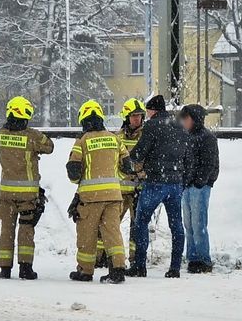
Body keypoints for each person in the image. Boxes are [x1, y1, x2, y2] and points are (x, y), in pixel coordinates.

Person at [67, 100, 130, 284]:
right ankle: (117, 270)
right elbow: (127, 167)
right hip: (114, 196)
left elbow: (73, 173)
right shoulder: (115, 139)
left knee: (87, 234)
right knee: (113, 233)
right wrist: (111, 177)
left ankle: (85, 271)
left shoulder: (82, 141)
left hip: (90, 199)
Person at [125, 95, 187, 278]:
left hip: (156, 182)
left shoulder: (152, 125)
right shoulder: (179, 125)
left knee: (141, 221)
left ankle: (139, 266)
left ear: (153, 110)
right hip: (176, 183)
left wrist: (129, 160)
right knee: (176, 225)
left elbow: (140, 151)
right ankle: (175, 268)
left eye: (148, 111)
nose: (147, 115)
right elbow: (186, 153)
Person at [0, 96, 54, 280]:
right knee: (26, 230)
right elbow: (50, 146)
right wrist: (36, 134)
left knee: (6, 231)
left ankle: (5, 269)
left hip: (5, 193)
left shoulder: (2, 134)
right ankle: (25, 268)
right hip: (27, 194)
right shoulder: (32, 136)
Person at [96, 98, 147, 267]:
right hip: (118, 191)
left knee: (136, 227)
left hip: (138, 190)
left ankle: (135, 260)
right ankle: (101, 257)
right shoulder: (116, 137)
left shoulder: (146, 137)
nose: (136, 119)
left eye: (139, 116)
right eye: (133, 116)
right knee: (109, 226)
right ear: (126, 117)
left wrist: (141, 174)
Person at [179, 104, 219, 274]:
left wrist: (199, 182)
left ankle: (203, 259)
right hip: (187, 186)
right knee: (189, 224)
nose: (183, 122)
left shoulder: (207, 138)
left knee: (198, 223)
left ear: (194, 119)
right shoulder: (186, 137)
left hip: (198, 187)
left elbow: (210, 164)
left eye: (186, 118)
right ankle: (192, 258)